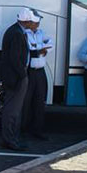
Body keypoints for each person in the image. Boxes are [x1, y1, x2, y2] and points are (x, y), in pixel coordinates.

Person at [0, 7, 37, 151]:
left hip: (13, 76)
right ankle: (11, 140)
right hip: (16, 77)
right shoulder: (17, 33)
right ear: (26, 20)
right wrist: (23, 74)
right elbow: (15, 58)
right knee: (13, 110)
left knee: (12, 109)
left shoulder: (14, 31)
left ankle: (10, 138)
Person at [22, 10, 54, 140]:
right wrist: (40, 48)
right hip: (29, 71)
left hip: (40, 71)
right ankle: (23, 129)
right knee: (26, 102)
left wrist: (39, 47)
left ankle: (38, 130)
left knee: (40, 101)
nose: (38, 24)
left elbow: (50, 44)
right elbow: (30, 49)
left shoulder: (41, 33)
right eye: (37, 21)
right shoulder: (25, 34)